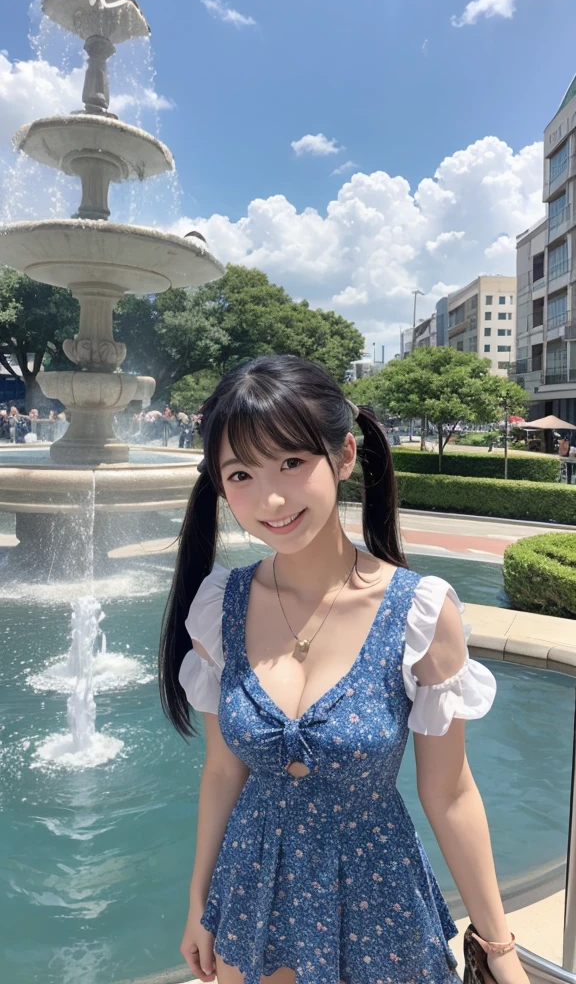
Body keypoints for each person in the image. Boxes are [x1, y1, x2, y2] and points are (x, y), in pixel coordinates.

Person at [159, 355, 526, 984]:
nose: (270, 498)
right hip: (252, 892)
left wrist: (500, 950)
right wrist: (199, 904)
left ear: (345, 457)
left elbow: (451, 792)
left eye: (293, 463)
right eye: (241, 473)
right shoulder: (221, 608)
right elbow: (222, 772)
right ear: (220, 486)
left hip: (377, 895)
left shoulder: (419, 612)